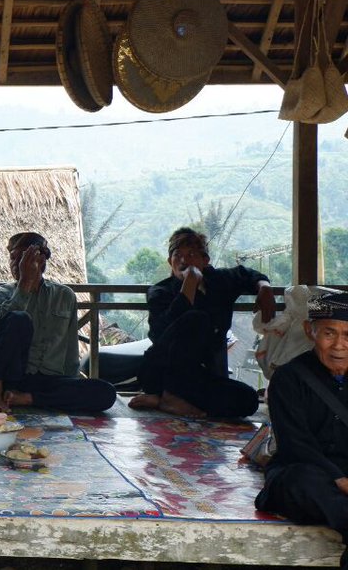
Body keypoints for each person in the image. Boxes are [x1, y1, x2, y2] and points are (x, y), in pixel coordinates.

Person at [130, 227, 272, 418]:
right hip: (162, 374)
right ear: (169, 261)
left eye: (191, 254)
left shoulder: (219, 281)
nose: (183, 260)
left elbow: (246, 274)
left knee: (248, 400)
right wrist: (189, 285)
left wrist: (264, 287)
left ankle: (169, 402)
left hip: (202, 376)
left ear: (205, 260)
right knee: (197, 319)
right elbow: (160, 334)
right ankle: (168, 396)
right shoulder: (160, 292)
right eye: (177, 255)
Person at [255, 291, 348, 569]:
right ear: (310, 331)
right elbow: (296, 444)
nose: (339, 346)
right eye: (329, 334)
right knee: (302, 482)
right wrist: (340, 479)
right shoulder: (289, 378)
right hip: (307, 471)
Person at [0, 232, 116, 414]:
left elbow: (70, 346)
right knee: (18, 318)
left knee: (106, 393)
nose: (16, 264)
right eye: (13, 258)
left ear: (42, 260)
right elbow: (0, 334)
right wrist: (24, 283)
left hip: (51, 380)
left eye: (23, 258)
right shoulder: (2, 294)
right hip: (13, 377)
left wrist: (73, 383)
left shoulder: (64, 295)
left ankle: (28, 399)